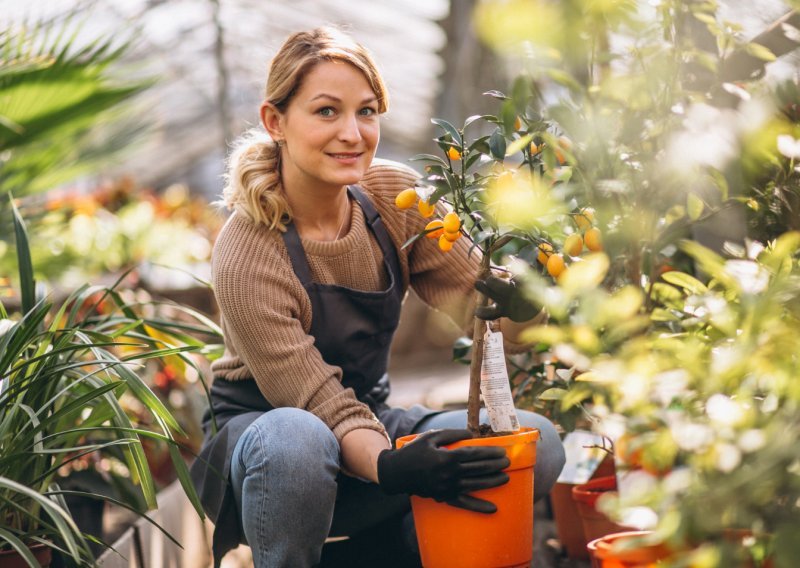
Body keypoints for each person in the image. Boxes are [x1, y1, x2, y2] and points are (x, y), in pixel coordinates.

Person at [190, 26, 566, 568]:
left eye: (366, 112)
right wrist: (394, 467)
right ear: (276, 122)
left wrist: (524, 305)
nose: (352, 133)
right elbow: (317, 404)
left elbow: (490, 326)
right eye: (326, 111)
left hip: (371, 416)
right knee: (297, 441)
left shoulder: (395, 197)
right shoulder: (247, 250)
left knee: (541, 445)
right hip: (269, 444)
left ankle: (392, 556)